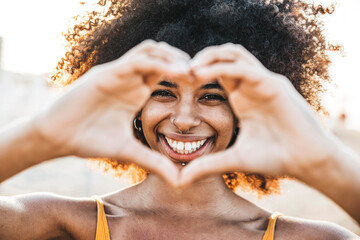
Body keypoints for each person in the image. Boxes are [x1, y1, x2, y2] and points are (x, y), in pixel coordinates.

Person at [0, 0, 360, 239]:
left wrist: (324, 162)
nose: (185, 119)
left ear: (243, 115)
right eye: (163, 92)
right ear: (134, 106)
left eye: (212, 97)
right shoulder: (60, 223)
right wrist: (42, 136)